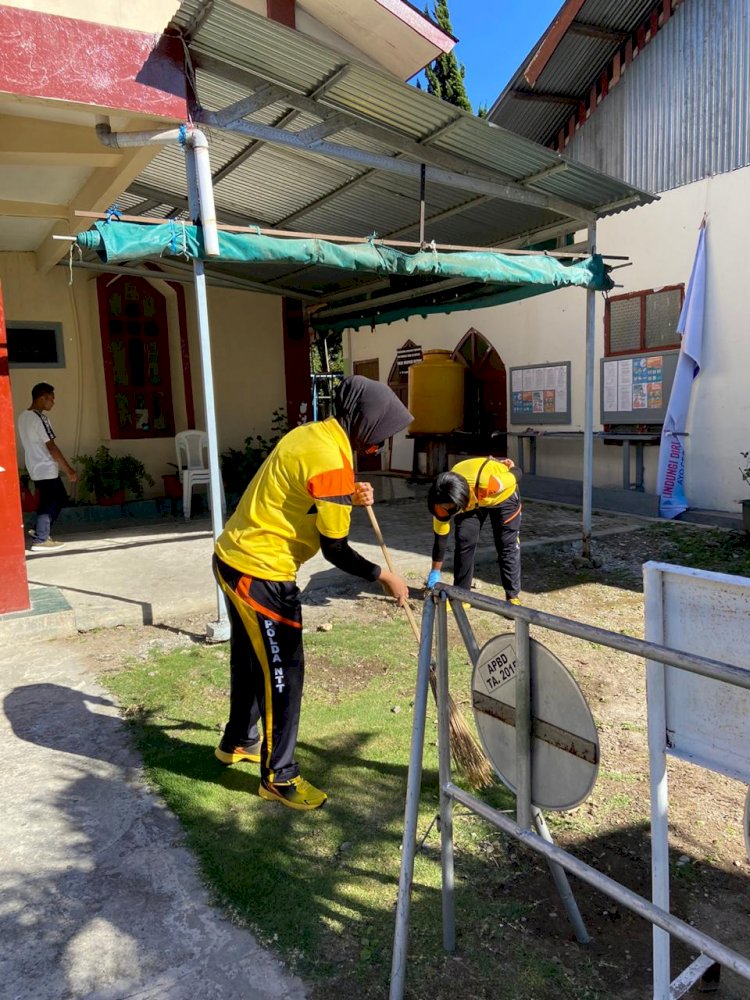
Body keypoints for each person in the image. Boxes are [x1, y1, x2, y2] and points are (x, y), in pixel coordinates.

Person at [213, 375, 413, 811]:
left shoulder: (315, 435)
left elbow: (306, 496)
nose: (382, 440)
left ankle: (238, 742)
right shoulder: (331, 459)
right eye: (381, 429)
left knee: (252, 659)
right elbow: (335, 549)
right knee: (285, 670)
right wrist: (386, 576)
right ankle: (279, 777)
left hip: (233, 556)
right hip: (260, 572)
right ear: (363, 419)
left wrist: (348, 497)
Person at [426, 455, 523, 606]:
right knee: (464, 539)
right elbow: (440, 538)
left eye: (447, 510)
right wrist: (435, 572)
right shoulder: (442, 495)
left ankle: (512, 596)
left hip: (502, 496)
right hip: (469, 497)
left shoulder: (493, 483)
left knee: (506, 543)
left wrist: (511, 467)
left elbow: (518, 474)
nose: (443, 514)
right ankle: (462, 596)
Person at [17, 382, 77, 552]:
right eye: (51, 398)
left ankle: (39, 531)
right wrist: (68, 469)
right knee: (51, 502)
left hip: (34, 467)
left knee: (54, 499)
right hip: (45, 466)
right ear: (42, 398)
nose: (53, 402)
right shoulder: (40, 418)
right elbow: (51, 447)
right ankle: (41, 539)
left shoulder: (22, 416)